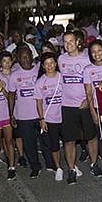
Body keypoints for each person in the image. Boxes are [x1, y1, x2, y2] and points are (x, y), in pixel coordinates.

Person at [58, 31, 102, 185]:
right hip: (67, 106)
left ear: (77, 42)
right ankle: (71, 169)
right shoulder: (61, 59)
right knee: (69, 140)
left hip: (85, 105)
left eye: (71, 41)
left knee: (91, 137)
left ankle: (94, 163)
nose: (68, 44)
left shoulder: (86, 58)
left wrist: (87, 100)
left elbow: (91, 81)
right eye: (65, 42)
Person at [8, 46, 42, 178]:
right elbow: (11, 95)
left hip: (41, 114)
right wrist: (11, 115)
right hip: (23, 115)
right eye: (22, 57)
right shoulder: (14, 75)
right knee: (29, 143)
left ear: (32, 56)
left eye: (28, 56)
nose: (26, 59)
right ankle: (35, 166)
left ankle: (51, 164)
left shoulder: (40, 69)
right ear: (18, 59)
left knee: (46, 141)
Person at [84, 39, 102, 181]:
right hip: (97, 108)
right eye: (93, 52)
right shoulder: (88, 70)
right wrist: (92, 112)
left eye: (99, 50)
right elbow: (88, 93)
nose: (96, 54)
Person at [34, 53, 64, 181]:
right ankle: (58, 168)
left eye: (52, 63)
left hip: (64, 115)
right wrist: (42, 119)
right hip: (50, 118)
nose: (49, 66)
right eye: (46, 64)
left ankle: (72, 166)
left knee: (69, 142)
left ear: (56, 64)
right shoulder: (40, 82)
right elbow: (39, 102)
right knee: (54, 145)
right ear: (43, 66)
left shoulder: (62, 77)